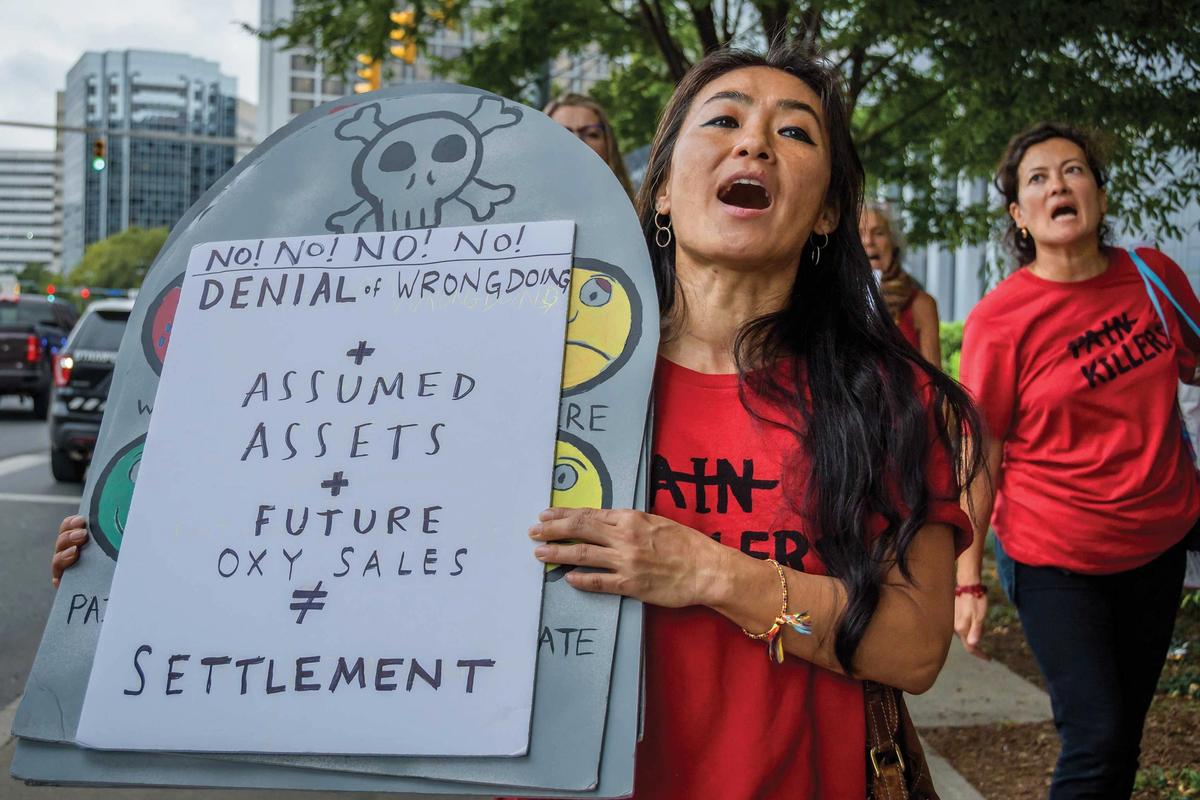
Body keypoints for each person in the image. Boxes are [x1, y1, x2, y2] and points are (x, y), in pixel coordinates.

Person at [55, 43, 983, 798]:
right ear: (659, 190)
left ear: (825, 212)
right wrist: (151, 556)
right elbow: (358, 535)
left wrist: (706, 571)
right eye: (725, 120)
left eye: (795, 133)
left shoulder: (880, 402)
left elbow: (911, 648)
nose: (756, 146)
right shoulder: (513, 365)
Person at [955, 121, 1199, 799]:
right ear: (1019, 215)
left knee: (1122, 738)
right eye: (1038, 178)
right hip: (1058, 559)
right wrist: (966, 579)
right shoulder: (1001, 321)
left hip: (1157, 546)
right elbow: (983, 452)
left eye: (1074, 171)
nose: (1058, 184)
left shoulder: (1152, 275)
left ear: (1098, 191)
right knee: (1095, 741)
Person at [859, 202, 942, 367]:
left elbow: (935, 386)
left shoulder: (920, 304)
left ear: (894, 241)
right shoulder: (837, 302)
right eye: (859, 233)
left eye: (879, 233)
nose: (868, 241)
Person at [544, 93, 635, 198]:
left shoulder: (634, 212)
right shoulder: (523, 210)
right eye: (561, 133)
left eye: (591, 134)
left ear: (609, 148)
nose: (576, 141)